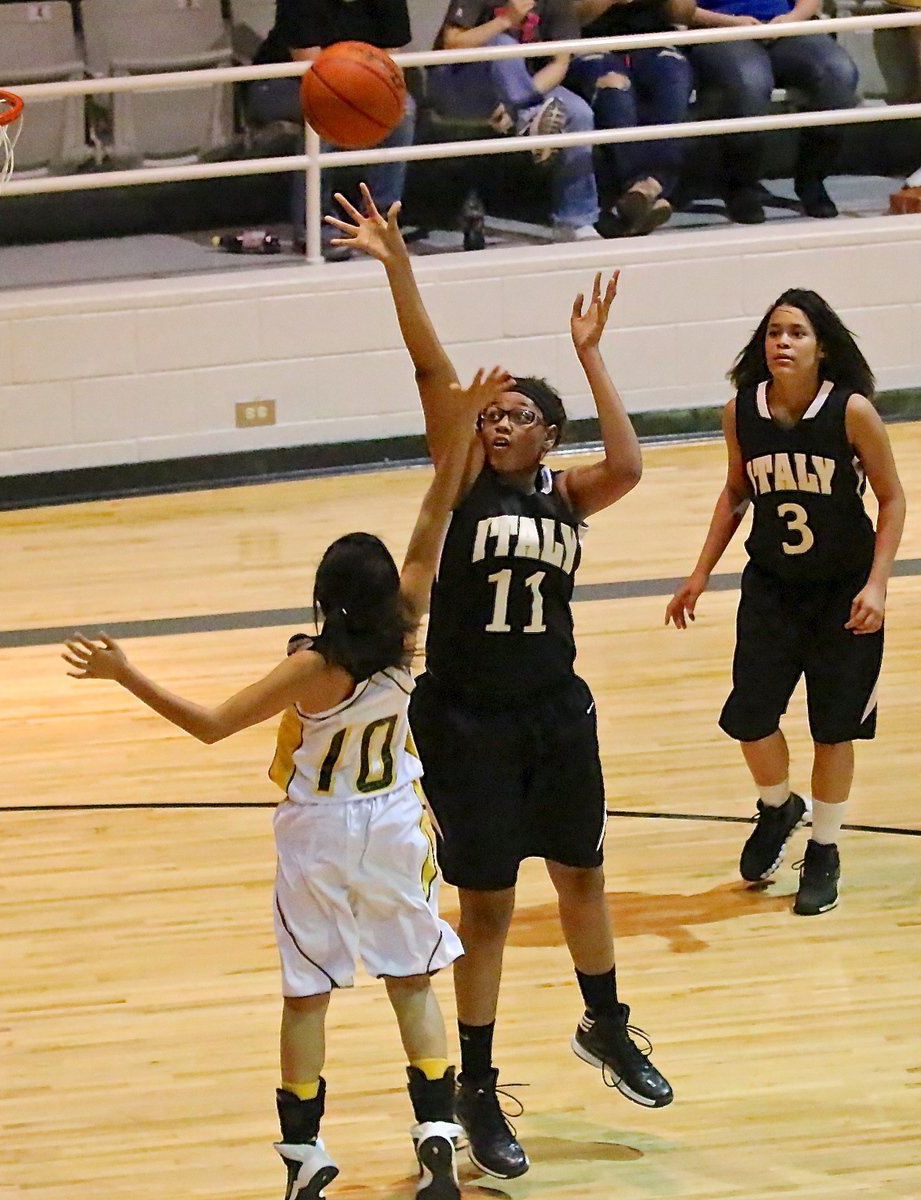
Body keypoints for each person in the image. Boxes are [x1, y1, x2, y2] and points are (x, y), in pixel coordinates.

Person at [61, 364, 516, 1200]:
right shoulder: (407, 628)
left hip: (321, 830)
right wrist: (459, 431)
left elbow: (205, 724)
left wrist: (125, 673)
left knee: (308, 993)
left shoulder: (313, 667)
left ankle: (305, 1155)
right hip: (394, 824)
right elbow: (432, 518)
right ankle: (437, 1133)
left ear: (324, 595)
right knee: (411, 981)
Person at [326, 183, 673, 1182]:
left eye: (519, 416)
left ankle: (604, 1023)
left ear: (542, 438)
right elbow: (432, 365)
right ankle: (475, 1087)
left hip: (556, 713)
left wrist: (591, 357)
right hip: (467, 719)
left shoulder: (568, 494)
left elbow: (631, 462)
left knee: (583, 878)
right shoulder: (461, 475)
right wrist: (399, 269)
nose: (500, 420)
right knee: (483, 911)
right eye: (495, 411)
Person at [665, 290, 905, 916]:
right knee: (749, 715)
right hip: (772, 587)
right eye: (775, 331)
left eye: (797, 332)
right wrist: (698, 574)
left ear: (821, 346)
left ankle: (823, 848)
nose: (783, 342)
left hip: (842, 591)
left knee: (834, 728)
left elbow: (894, 499)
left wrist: (878, 584)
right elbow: (734, 492)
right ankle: (778, 807)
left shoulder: (851, 412)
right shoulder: (740, 412)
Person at [246, 0, 416, 260]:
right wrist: (360, 95)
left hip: (353, 86)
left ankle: (379, 220)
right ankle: (314, 226)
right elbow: (311, 67)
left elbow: (392, 66)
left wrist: (377, 98)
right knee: (327, 110)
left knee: (403, 110)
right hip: (279, 85)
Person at [428, 0, 602, 241]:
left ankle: (575, 220)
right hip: (463, 86)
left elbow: (559, 63)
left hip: (522, 90)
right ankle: (530, 122)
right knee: (502, 43)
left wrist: (517, 101)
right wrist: (505, 21)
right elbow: (452, 42)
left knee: (579, 112)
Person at [688, 0, 859, 223]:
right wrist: (729, 22)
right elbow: (677, 8)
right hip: (719, 30)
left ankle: (812, 179)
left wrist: (791, 19)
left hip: (786, 26)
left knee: (839, 72)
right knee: (749, 81)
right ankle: (740, 186)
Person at [567, 0, 695, 236]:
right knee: (616, 90)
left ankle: (648, 188)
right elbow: (567, 16)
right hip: (586, 43)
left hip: (654, 42)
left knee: (673, 80)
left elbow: (685, 13)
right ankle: (641, 189)